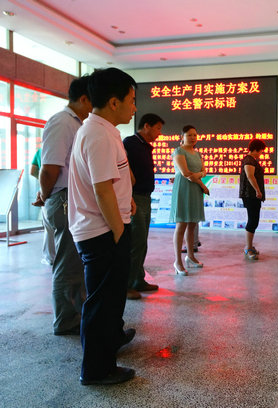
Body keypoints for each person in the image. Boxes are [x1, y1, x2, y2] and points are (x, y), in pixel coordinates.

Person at [68, 67, 138, 385]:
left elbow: (112, 181)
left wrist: (127, 201)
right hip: (103, 231)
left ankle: (109, 346)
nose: (134, 107)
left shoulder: (103, 130)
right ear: (113, 102)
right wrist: (119, 232)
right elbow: (102, 190)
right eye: (131, 100)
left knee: (109, 301)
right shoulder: (97, 134)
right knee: (101, 304)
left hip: (108, 227)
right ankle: (97, 370)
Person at [31, 77, 91, 336]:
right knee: (67, 263)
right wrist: (45, 196)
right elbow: (49, 168)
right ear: (84, 98)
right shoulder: (62, 122)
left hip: (72, 198)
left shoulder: (78, 124)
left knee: (75, 262)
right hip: (64, 198)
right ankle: (66, 321)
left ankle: (76, 314)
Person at [123, 113, 165, 300]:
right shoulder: (130, 143)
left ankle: (138, 280)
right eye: (158, 128)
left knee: (142, 242)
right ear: (146, 126)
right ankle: (126, 285)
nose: (159, 133)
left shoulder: (145, 146)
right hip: (134, 197)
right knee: (135, 242)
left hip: (145, 197)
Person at [170, 125, 209, 275]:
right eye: (189, 135)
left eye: (194, 135)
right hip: (184, 189)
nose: (193, 138)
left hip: (195, 190)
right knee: (181, 225)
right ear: (182, 137)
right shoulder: (178, 151)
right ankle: (177, 261)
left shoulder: (197, 153)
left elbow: (203, 171)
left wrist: (198, 176)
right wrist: (202, 184)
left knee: (192, 224)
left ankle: (190, 257)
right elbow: (186, 174)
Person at [239, 139, 266, 260]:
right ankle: (248, 248)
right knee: (252, 221)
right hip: (250, 195)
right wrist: (258, 191)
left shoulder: (252, 160)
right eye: (261, 151)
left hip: (253, 195)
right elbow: (250, 176)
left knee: (254, 220)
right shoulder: (249, 160)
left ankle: (249, 246)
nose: (261, 154)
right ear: (256, 149)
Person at [31, 147, 56, 266]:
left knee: (48, 228)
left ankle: (49, 257)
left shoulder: (40, 151)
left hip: (44, 191)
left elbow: (32, 171)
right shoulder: (58, 150)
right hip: (59, 190)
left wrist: (42, 181)